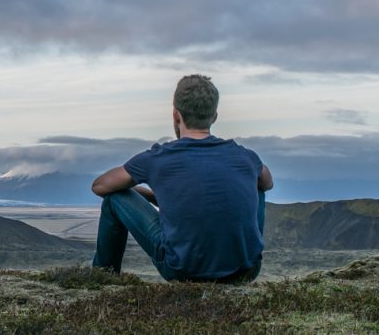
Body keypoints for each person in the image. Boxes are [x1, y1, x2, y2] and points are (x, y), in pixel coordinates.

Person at [90, 75, 273, 282]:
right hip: (246, 271)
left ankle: (102, 278)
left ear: (176, 115)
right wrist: (161, 197)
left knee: (114, 199)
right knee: (258, 186)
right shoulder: (245, 156)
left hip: (182, 271)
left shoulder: (157, 158)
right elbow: (268, 183)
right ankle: (242, 256)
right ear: (214, 116)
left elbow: (100, 186)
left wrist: (134, 190)